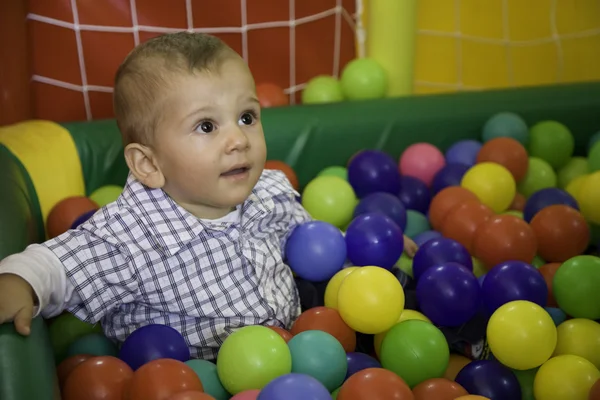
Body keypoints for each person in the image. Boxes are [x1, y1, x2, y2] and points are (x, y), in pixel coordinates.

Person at [0, 32, 418, 360]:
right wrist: (19, 283)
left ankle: (470, 340)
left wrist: (363, 251)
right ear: (148, 165)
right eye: (206, 126)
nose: (238, 139)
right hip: (208, 371)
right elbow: (58, 263)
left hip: (302, 330)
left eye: (247, 116)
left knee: (392, 287)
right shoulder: (128, 236)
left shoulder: (268, 190)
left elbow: (313, 243)